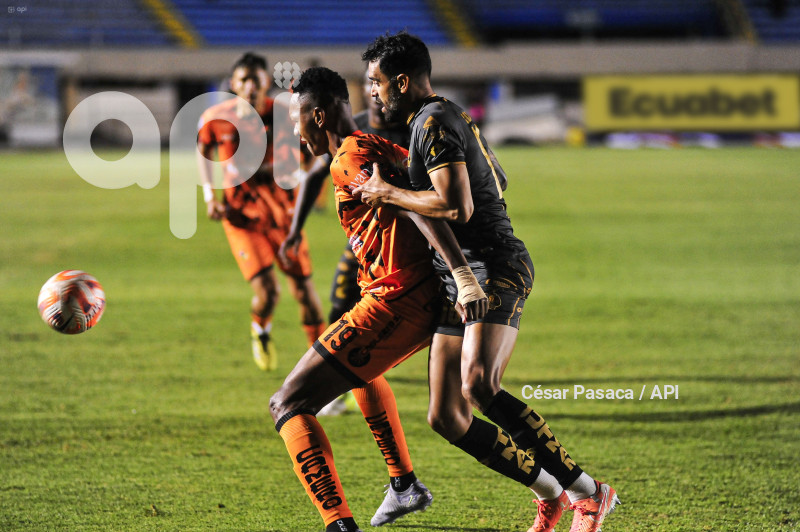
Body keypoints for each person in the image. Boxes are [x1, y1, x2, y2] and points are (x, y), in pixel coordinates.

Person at [356, 32, 620, 532]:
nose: (371, 91)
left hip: (494, 267)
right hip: (460, 276)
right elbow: (496, 178)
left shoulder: (433, 122)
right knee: (445, 415)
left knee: (479, 383)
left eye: (375, 82)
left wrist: (390, 192)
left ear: (402, 81)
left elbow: (458, 206)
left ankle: (590, 493)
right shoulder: (440, 118)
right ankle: (550, 495)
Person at [270, 66, 488, 532]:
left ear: (321, 115)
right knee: (359, 373)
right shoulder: (370, 147)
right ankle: (403, 484)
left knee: (287, 403)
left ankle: (339, 525)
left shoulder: (352, 158)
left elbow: (411, 203)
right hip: (394, 294)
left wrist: (461, 273)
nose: (293, 130)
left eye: (296, 119)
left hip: (398, 301)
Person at [197, 52, 327, 371]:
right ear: (233, 84)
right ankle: (261, 330)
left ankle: (327, 366)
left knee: (306, 295)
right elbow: (202, 152)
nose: (251, 86)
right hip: (242, 219)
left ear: (267, 82)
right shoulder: (216, 118)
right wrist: (209, 196)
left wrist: (290, 174)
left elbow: (314, 155)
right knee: (269, 292)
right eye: (244, 80)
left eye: (256, 79)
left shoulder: (286, 114)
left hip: (285, 217)